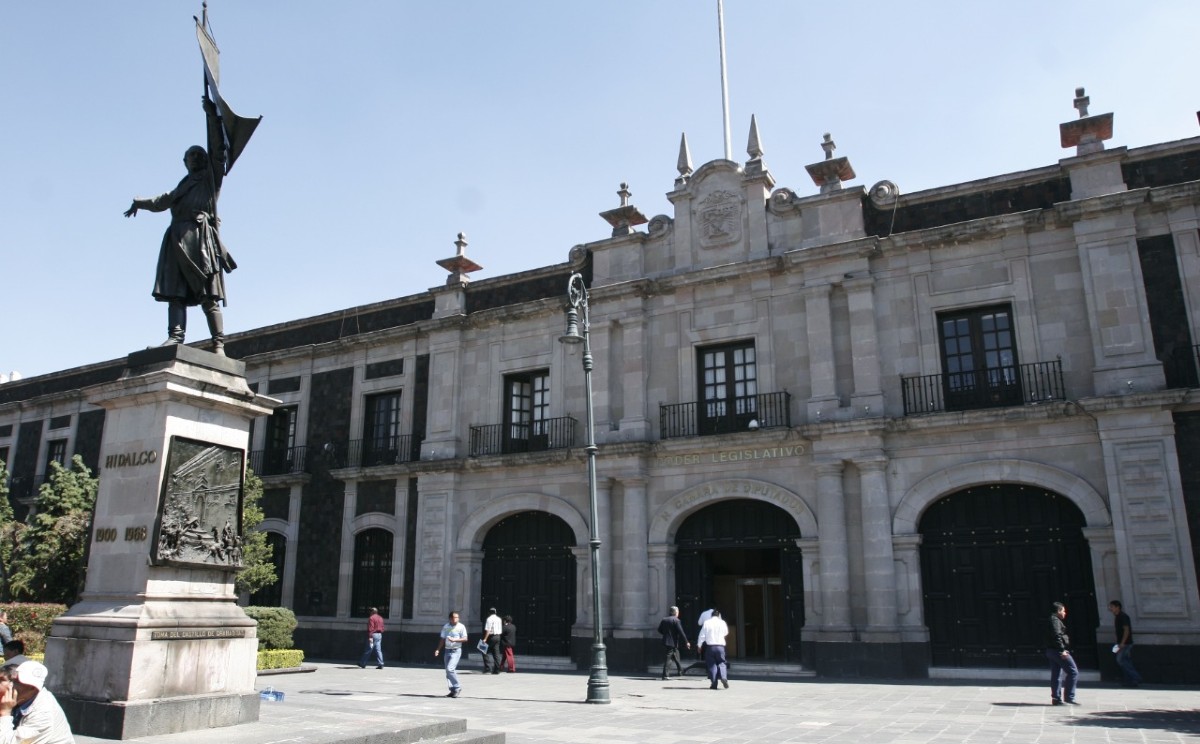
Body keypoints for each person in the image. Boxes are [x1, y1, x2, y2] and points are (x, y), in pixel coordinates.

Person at [124, 98, 235, 355]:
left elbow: (218, 149)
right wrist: (138, 203)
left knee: (208, 295)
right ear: (184, 161)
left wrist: (212, 118)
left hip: (200, 241)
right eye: (190, 155)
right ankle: (176, 336)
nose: (195, 158)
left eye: (199, 154)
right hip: (176, 239)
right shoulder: (182, 186)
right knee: (174, 293)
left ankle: (218, 343)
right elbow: (161, 201)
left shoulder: (210, 180)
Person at [0, 660, 76, 743]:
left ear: (32, 688)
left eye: (17, 682)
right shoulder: (23, 698)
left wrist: (5, 713)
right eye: (13, 680)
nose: (11, 685)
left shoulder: (43, 713)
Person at [1045, 602, 1079, 705]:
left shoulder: (1050, 620)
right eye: (1063, 611)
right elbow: (1057, 636)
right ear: (1058, 611)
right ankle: (1069, 697)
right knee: (1073, 671)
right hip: (1057, 651)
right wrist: (1062, 650)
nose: (1065, 613)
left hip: (1051, 650)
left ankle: (1056, 698)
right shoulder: (1055, 621)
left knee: (1056, 674)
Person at [1108, 600, 1142, 687]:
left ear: (1117, 607)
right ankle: (1129, 680)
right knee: (1126, 661)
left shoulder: (1123, 617)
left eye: (1112, 607)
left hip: (1126, 643)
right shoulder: (1117, 617)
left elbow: (1126, 630)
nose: (1110, 608)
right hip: (1122, 643)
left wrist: (1122, 643)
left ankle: (1135, 677)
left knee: (1121, 660)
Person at [435, 610, 468, 698]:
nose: (457, 619)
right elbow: (442, 638)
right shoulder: (446, 627)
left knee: (450, 669)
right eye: (455, 617)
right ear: (450, 618)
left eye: (457, 617)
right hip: (447, 650)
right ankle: (452, 690)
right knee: (447, 672)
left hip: (456, 650)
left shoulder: (461, 627)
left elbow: (465, 638)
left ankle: (457, 687)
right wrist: (438, 649)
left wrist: (455, 640)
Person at [696, 609, 729, 689]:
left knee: (712, 665)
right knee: (721, 662)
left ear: (711, 615)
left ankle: (714, 683)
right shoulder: (722, 622)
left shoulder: (707, 622)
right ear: (718, 616)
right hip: (720, 646)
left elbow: (702, 635)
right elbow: (726, 632)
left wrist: (699, 645)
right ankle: (723, 677)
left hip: (710, 647)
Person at [657, 606, 691, 679]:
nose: (678, 613)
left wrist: (666, 634)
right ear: (676, 612)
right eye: (678, 612)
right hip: (673, 642)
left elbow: (659, 630)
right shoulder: (676, 620)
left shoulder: (664, 619)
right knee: (668, 659)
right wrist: (686, 642)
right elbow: (681, 632)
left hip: (667, 641)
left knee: (676, 656)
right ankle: (665, 675)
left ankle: (680, 671)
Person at [480, 608, 503, 674]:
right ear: (495, 612)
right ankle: (497, 669)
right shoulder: (499, 619)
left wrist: (485, 639)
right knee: (496, 653)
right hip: (498, 636)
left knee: (483, 650)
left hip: (491, 636)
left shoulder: (489, 619)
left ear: (489, 613)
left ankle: (488, 668)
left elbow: (488, 630)